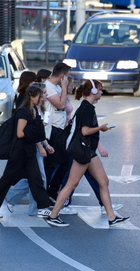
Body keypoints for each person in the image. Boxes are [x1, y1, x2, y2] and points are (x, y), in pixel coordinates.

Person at [46, 79, 130, 227]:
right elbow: (84, 131)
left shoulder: (88, 107)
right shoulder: (87, 108)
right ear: (93, 91)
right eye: (100, 89)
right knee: (72, 184)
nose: (102, 92)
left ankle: (111, 217)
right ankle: (53, 215)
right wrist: (101, 128)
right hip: (82, 150)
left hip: (88, 150)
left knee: (103, 181)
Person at [0, 85, 51, 218]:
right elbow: (20, 133)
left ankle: (43, 207)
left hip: (28, 152)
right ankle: (42, 207)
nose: (41, 99)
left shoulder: (33, 110)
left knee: (36, 180)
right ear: (31, 96)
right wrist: (35, 128)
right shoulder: (23, 112)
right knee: (6, 181)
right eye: (39, 96)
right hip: (19, 153)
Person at [43, 63, 72, 204]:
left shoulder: (58, 87)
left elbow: (66, 105)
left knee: (59, 162)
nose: (67, 79)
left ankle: (50, 191)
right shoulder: (47, 87)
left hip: (60, 128)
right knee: (57, 162)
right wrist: (65, 87)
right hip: (52, 129)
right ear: (62, 76)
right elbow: (60, 105)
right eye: (67, 76)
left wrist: (64, 88)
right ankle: (49, 191)